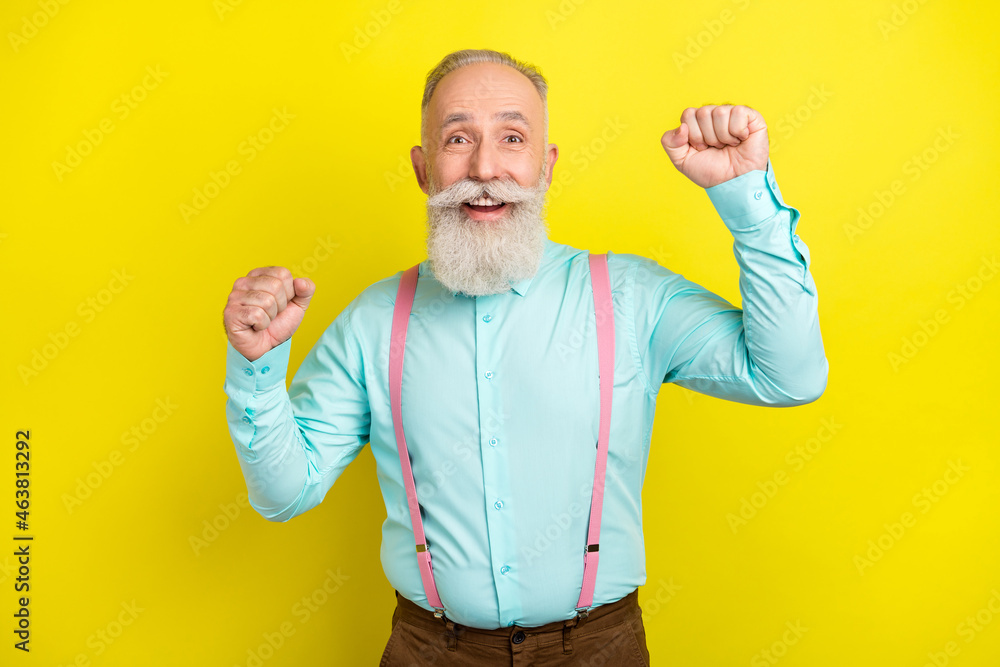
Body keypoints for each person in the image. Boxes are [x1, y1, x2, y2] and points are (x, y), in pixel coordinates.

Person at [222, 49, 828, 665]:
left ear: (546, 164)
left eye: (512, 137)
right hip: (429, 649)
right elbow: (285, 492)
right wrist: (257, 370)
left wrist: (746, 198)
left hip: (599, 649)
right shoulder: (373, 321)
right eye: (458, 138)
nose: (485, 167)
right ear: (423, 167)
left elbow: (790, 375)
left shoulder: (631, 296)